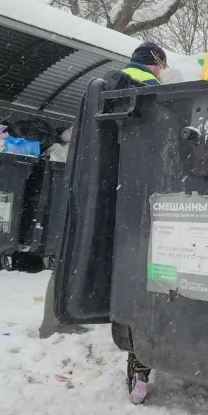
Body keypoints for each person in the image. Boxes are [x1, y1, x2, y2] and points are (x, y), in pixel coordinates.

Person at [38, 42, 168, 338]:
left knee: (77, 247)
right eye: (162, 66)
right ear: (156, 63)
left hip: (95, 180)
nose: (162, 72)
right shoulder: (148, 85)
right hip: (127, 183)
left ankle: (56, 318)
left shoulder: (109, 81)